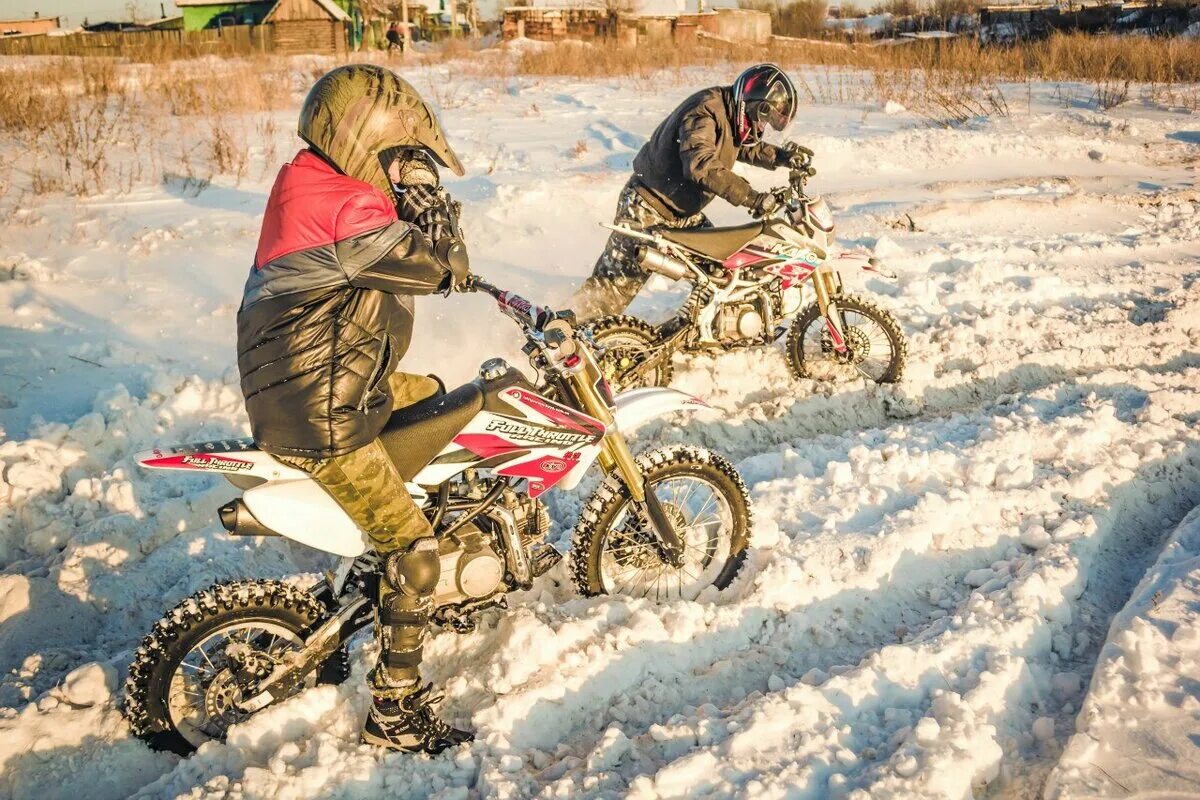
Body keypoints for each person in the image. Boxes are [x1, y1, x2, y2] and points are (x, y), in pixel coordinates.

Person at [236, 64, 473, 755]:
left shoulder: (310, 184)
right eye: (400, 158)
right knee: (414, 547)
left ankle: (394, 541)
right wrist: (432, 210)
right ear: (366, 141)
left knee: (435, 397)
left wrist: (409, 200)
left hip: (321, 386)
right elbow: (442, 270)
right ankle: (395, 712)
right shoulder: (352, 214)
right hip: (326, 413)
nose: (404, 172)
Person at [572, 63, 811, 321]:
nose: (761, 126)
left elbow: (739, 146)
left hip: (683, 213)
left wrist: (782, 157)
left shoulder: (729, 115)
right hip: (649, 207)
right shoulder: (705, 111)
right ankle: (565, 337)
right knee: (610, 292)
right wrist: (751, 197)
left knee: (721, 270)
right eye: (761, 118)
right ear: (750, 103)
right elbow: (702, 165)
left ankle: (699, 333)